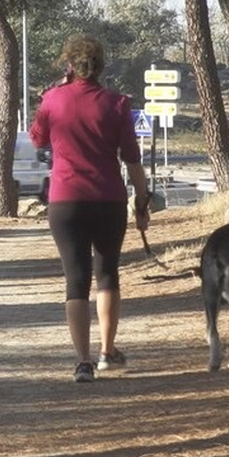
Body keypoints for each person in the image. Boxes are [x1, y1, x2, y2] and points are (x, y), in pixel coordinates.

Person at [29, 35, 150, 383]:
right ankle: (107, 353)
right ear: (101, 66)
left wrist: (48, 98)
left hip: (66, 201)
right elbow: (132, 161)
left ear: (69, 63)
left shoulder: (53, 99)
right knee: (108, 274)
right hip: (109, 199)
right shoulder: (117, 104)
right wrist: (141, 203)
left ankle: (82, 362)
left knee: (75, 280)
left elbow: (37, 138)